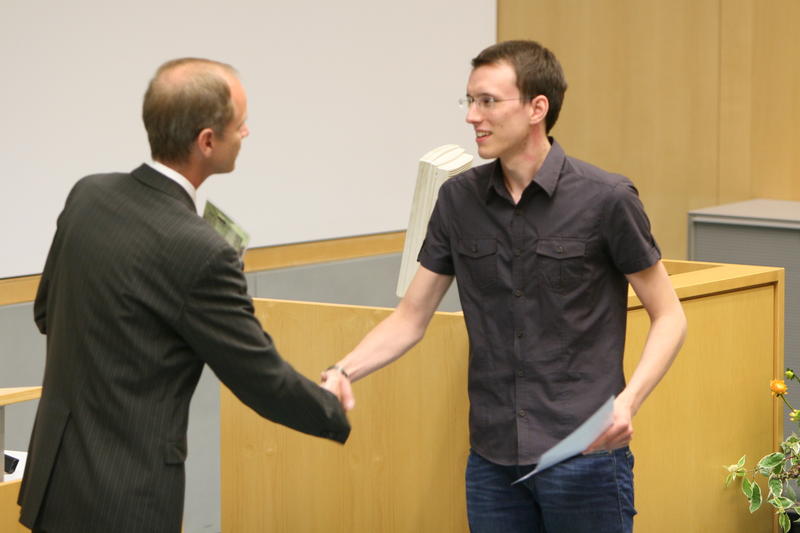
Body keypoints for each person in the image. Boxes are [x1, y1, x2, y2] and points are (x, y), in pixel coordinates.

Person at [321, 40, 687, 533]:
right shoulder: (457, 200)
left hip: (585, 452)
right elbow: (410, 318)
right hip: (492, 461)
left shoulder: (606, 199)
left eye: (488, 101)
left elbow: (669, 315)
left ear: (538, 108)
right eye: (470, 100)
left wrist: (628, 402)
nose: (472, 116)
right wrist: (343, 370)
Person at [18, 58, 351, 533]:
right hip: (127, 500)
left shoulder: (88, 195)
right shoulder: (202, 251)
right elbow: (260, 379)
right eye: (240, 124)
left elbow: (45, 312)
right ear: (207, 141)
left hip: (55, 483)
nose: (247, 133)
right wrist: (330, 406)